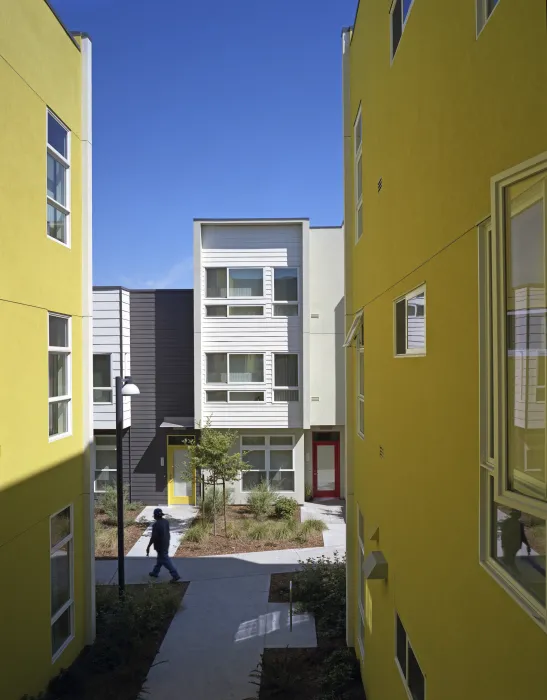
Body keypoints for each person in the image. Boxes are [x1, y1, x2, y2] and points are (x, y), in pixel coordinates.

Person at [146, 508, 181, 582]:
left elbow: (153, 537)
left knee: (165, 560)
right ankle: (155, 572)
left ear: (155, 516)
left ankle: (175, 575)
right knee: (160, 559)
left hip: (160, 545)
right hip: (166, 543)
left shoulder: (156, 525)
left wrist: (148, 546)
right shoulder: (166, 522)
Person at [500, 509, 532, 573]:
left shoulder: (508, 522)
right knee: (509, 560)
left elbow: (522, 536)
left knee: (508, 560)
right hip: (512, 545)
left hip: (510, 545)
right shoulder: (517, 524)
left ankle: (514, 573)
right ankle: (516, 574)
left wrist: (528, 545)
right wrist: (527, 545)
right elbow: (522, 536)